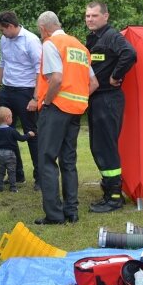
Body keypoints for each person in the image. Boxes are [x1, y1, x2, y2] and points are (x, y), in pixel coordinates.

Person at [31, 11, 98, 225]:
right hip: (76, 110)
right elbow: (94, 83)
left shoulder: (51, 44)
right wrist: (78, 99)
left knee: (47, 160)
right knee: (69, 161)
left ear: (43, 29)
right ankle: (72, 211)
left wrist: (47, 102)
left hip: (56, 108)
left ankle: (54, 215)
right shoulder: (80, 47)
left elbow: (56, 78)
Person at [84, 1, 137, 213]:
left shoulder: (111, 36)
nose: (90, 19)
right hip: (98, 100)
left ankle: (114, 196)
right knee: (99, 147)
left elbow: (130, 54)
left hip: (108, 98)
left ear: (106, 16)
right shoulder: (94, 38)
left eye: (94, 16)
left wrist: (116, 75)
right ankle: (110, 191)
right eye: (87, 16)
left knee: (105, 148)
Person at [0, 11, 42, 190]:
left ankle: (40, 178)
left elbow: (39, 70)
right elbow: (2, 63)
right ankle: (17, 174)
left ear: (11, 26)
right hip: (7, 91)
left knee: (32, 134)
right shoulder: (4, 40)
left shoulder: (31, 40)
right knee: (7, 134)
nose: (1, 33)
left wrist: (36, 97)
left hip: (26, 92)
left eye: (2, 30)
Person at [0, 106, 35, 192]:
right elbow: (21, 138)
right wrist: (29, 134)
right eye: (11, 116)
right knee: (11, 171)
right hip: (10, 154)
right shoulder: (11, 130)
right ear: (7, 118)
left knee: (1, 172)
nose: (12, 118)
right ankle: (13, 188)